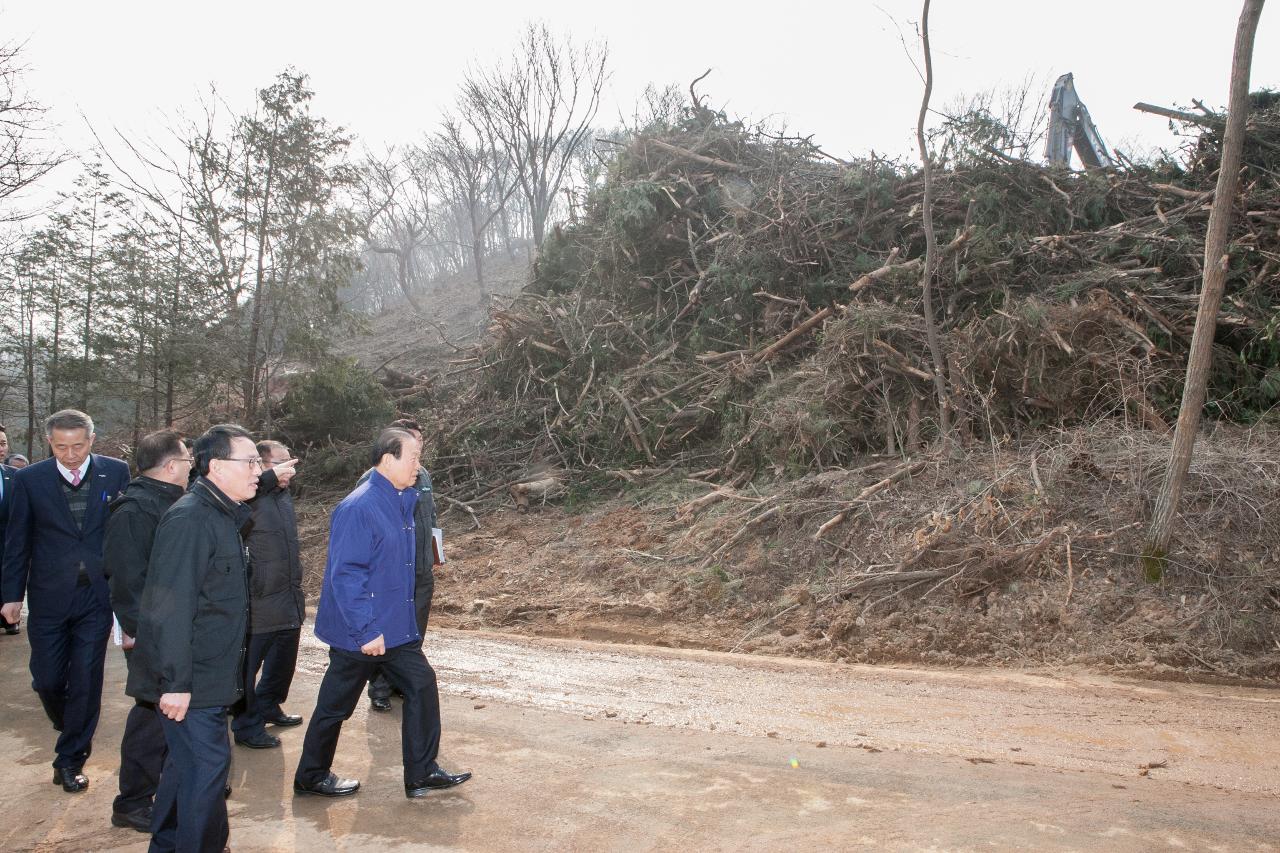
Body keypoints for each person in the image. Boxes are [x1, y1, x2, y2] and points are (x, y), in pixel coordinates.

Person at [294, 428, 470, 799]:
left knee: (421, 685)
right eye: (413, 458)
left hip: (395, 628)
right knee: (335, 707)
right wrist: (366, 630)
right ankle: (311, 775)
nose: (419, 467)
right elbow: (346, 575)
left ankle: (421, 772)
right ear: (388, 460)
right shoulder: (359, 507)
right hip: (360, 632)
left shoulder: (403, 500)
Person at [126, 424, 258, 853]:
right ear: (217, 467)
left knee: (186, 771)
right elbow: (170, 608)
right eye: (251, 462)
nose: (259, 470)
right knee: (206, 772)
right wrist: (176, 682)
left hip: (208, 677)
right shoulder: (191, 519)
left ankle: (166, 845)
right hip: (191, 680)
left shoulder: (222, 514)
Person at [1, 410, 130, 792]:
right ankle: (71, 719)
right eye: (61, 447)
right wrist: (10, 596)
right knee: (47, 679)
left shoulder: (115, 471)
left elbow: (124, 531)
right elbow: (17, 540)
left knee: (87, 679)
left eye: (77, 445)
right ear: (49, 443)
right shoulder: (29, 479)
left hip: (96, 594)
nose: (70, 455)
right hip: (48, 595)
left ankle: (70, 757)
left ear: (92, 440)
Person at [103, 430, 193, 832]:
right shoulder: (135, 510)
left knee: (176, 714)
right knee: (151, 718)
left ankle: (181, 782)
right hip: (151, 636)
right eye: (188, 458)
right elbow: (127, 579)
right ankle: (133, 801)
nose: (193, 464)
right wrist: (139, 631)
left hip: (173, 631)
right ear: (171, 466)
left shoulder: (173, 502)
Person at [231, 439, 304, 749]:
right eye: (280, 464)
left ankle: (270, 705)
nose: (288, 470)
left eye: (291, 463)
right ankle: (247, 725)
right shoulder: (246, 496)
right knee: (248, 667)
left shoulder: (283, 497)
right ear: (259, 466)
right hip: (257, 598)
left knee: (283, 660)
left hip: (287, 594)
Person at [364, 418, 437, 713]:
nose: (418, 446)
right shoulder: (372, 482)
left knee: (413, 630)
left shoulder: (423, 476)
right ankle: (379, 688)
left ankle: (402, 682)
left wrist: (435, 554)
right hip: (394, 575)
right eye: (412, 442)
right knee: (388, 631)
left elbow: (431, 519)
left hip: (421, 569)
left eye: (419, 441)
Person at [0, 423, 17, 635]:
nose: (1, 448)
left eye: (3, 443)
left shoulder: (15, 476)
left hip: (7, 545)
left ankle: (9, 619)